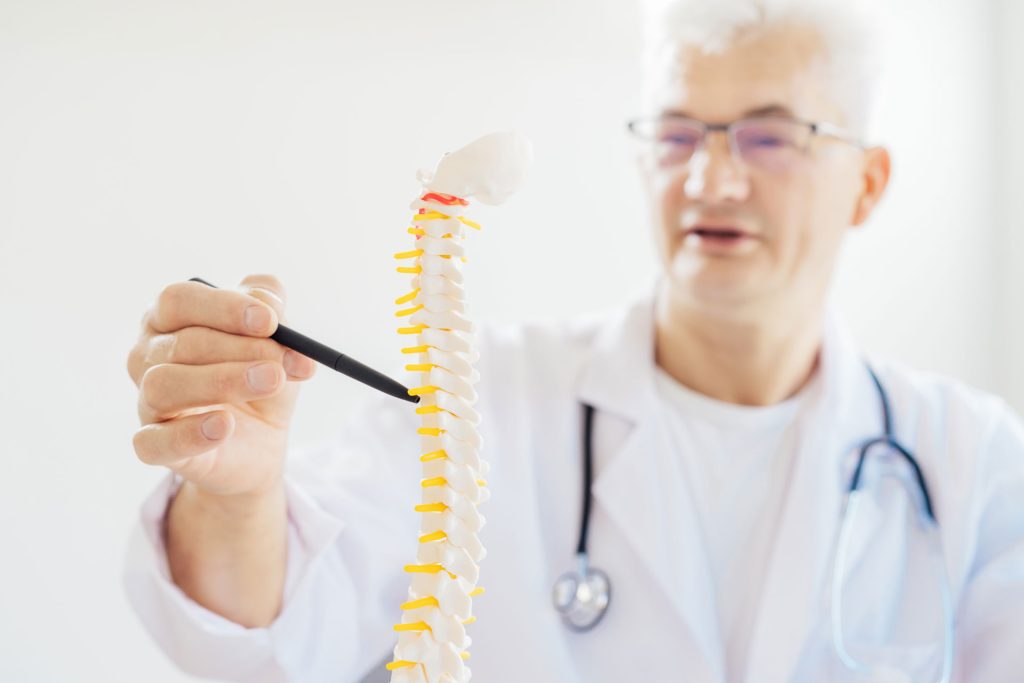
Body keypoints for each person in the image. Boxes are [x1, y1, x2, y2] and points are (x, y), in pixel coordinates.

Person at [123, 1, 1024, 681]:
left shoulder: (974, 462)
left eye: (770, 135)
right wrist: (238, 499)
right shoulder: (482, 398)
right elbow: (279, 628)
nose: (711, 176)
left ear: (867, 183)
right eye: (677, 133)